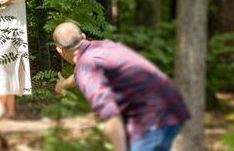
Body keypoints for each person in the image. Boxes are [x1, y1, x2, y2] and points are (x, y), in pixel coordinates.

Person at [53, 22, 190, 151]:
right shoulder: (103, 46)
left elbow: (111, 115)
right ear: (83, 37)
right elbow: (81, 73)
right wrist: (63, 85)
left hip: (151, 118)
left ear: (60, 51)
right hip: (173, 104)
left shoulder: (86, 68)